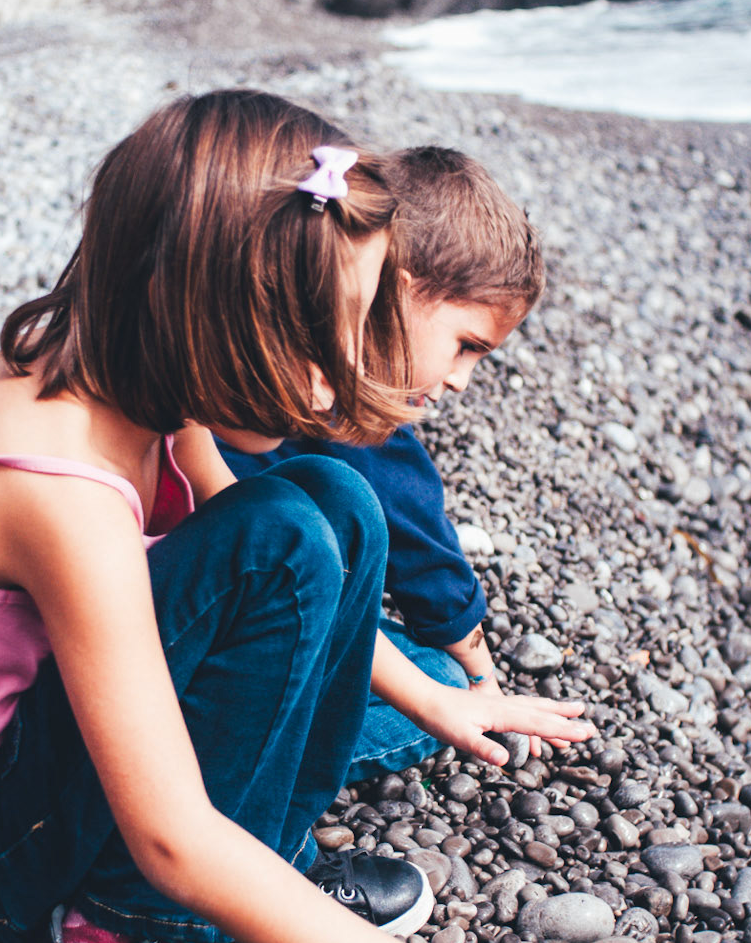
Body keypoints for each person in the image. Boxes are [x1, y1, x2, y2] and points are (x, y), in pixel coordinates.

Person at [0, 91, 639, 943]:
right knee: (279, 535)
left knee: (330, 498)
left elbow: (278, 550)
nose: (334, 387)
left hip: (20, 776)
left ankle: (266, 868)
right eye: (323, 341)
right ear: (210, 307)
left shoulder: (137, 364)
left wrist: (438, 700)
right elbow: (168, 832)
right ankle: (113, 940)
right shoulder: (55, 487)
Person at [222, 144, 541, 781]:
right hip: (226, 625)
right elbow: (422, 554)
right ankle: (251, 771)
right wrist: (481, 678)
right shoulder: (348, 404)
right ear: (397, 292)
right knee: (438, 676)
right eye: (465, 346)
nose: (461, 380)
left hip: (202, 601)